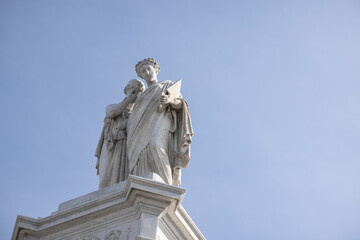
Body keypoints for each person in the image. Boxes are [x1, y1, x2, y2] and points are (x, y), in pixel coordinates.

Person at [126, 58, 193, 186]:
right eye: (142, 72)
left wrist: (169, 101)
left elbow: (180, 105)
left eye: (148, 69)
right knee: (140, 156)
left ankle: (166, 186)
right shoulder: (140, 97)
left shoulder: (167, 85)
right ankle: (141, 184)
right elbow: (133, 117)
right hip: (137, 131)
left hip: (160, 121)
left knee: (156, 146)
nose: (146, 73)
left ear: (156, 69)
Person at [95, 79, 145, 189]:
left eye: (137, 92)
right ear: (126, 90)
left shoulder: (135, 114)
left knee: (123, 178)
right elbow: (112, 113)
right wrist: (128, 99)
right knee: (105, 179)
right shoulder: (112, 106)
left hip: (127, 145)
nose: (135, 94)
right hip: (110, 144)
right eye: (132, 90)